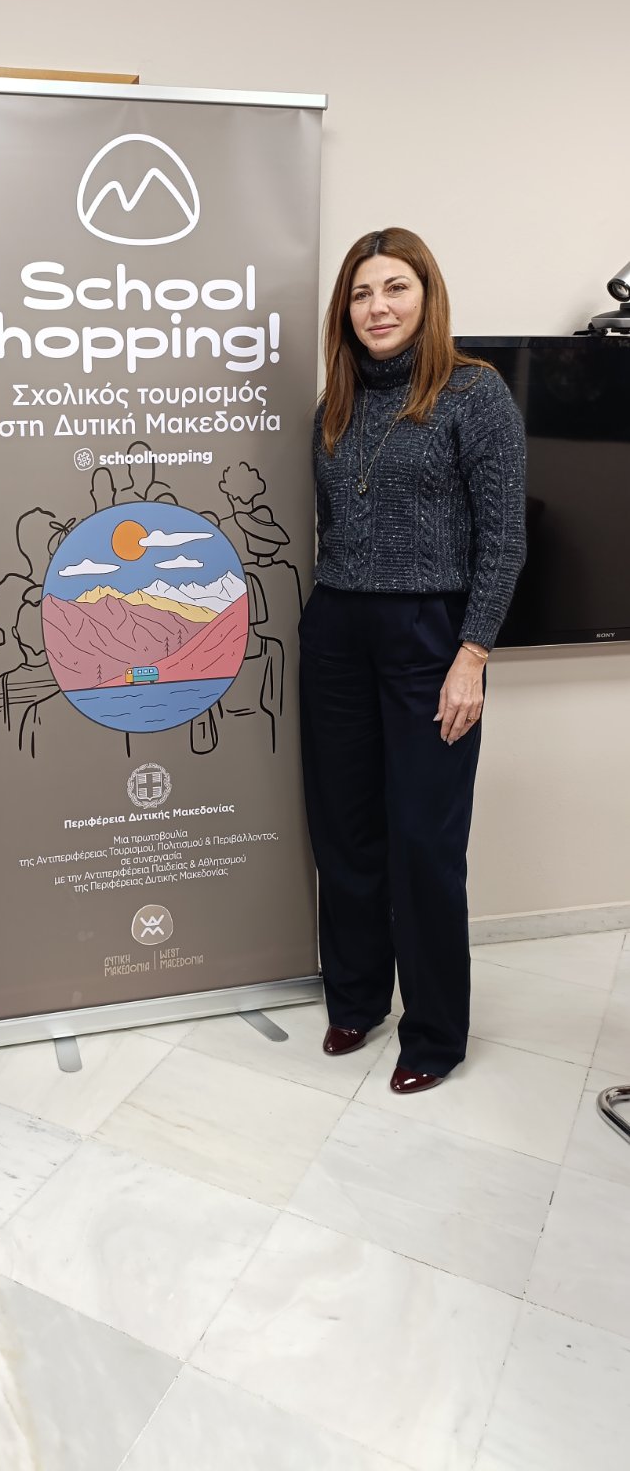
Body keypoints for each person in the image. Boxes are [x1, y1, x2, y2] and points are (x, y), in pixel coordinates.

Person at [300, 227, 525, 1093]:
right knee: (344, 831)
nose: (377, 307)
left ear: (426, 297)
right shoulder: (334, 404)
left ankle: (432, 1034)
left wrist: (472, 655)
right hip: (336, 630)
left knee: (423, 840)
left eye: (394, 287)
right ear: (344, 310)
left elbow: (502, 539)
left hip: (430, 637)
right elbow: (333, 527)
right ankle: (356, 998)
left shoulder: (474, 393)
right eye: (360, 293)